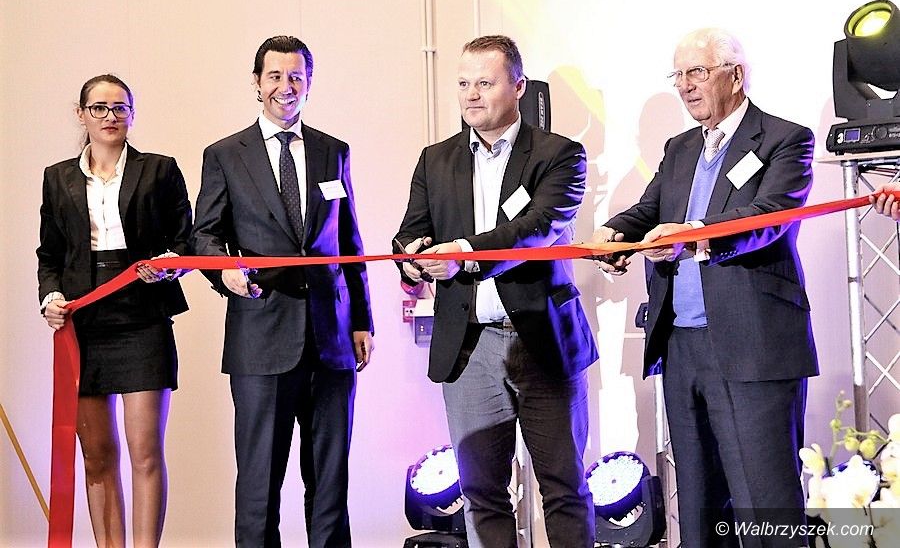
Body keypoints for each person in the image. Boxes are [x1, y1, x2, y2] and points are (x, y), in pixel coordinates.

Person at [594, 28, 817, 547]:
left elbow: (769, 216)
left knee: (766, 506)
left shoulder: (786, 139)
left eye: (696, 72)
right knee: (698, 506)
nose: (685, 86)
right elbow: (650, 210)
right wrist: (614, 233)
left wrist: (690, 235)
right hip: (682, 346)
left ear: (735, 76)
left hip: (754, 345)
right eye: (678, 75)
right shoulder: (679, 148)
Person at [394, 35, 597, 548]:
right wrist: (414, 261)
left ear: (519, 87)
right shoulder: (434, 160)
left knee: (564, 488)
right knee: (481, 494)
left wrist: (463, 252)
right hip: (468, 347)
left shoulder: (560, 155)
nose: (471, 95)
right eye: (464, 83)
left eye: (484, 83)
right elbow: (410, 234)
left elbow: (536, 229)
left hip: (543, 341)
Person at [190, 35, 374, 547]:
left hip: (331, 340)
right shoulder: (225, 155)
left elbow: (349, 241)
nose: (285, 87)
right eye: (275, 76)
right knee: (258, 488)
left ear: (309, 83)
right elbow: (204, 235)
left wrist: (362, 320)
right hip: (260, 338)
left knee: (330, 486)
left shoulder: (334, 151)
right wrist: (224, 271)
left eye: (296, 76)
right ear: (257, 82)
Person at [37, 74, 192, 547]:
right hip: (84, 322)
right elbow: (50, 255)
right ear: (81, 114)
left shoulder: (159, 169)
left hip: (143, 320)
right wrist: (50, 298)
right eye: (99, 108)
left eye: (120, 108)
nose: (110, 116)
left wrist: (168, 266)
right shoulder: (57, 177)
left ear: (132, 113)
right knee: (97, 456)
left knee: (145, 452)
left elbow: (185, 244)